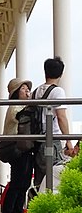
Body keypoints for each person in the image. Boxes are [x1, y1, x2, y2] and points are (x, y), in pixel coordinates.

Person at [32, 57, 73, 190]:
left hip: (36, 142)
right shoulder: (58, 91)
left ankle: (37, 208)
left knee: (40, 181)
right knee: (53, 181)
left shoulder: (36, 92)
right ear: (61, 74)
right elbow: (61, 117)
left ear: (45, 72)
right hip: (52, 140)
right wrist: (68, 141)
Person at [0, 77, 33, 213]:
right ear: (16, 93)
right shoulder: (15, 107)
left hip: (23, 148)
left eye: (27, 89)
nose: (27, 91)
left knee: (24, 182)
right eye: (23, 89)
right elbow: (22, 117)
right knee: (18, 182)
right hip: (17, 148)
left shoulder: (21, 105)